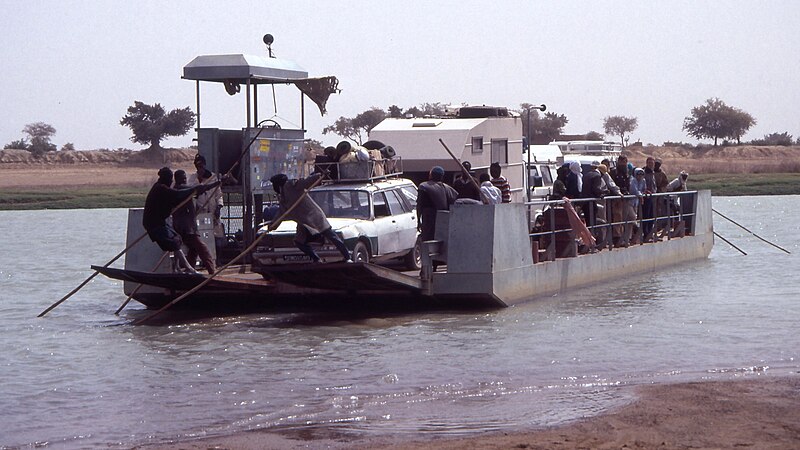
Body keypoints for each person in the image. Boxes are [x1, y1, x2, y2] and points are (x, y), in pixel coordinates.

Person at [143, 167, 222, 274]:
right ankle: (197, 269)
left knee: (180, 242)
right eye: (182, 179)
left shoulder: (167, 189)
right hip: (160, 224)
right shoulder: (165, 189)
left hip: (167, 223)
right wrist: (210, 185)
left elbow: (196, 190)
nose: (171, 181)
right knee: (184, 245)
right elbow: (185, 192)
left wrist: (215, 184)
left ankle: (179, 269)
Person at [269, 173, 352, 263]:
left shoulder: (292, 186)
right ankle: (316, 259)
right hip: (303, 222)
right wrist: (273, 225)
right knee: (299, 242)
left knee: (331, 236)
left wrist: (319, 176)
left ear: (278, 184)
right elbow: (281, 213)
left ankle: (347, 257)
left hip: (313, 216)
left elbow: (306, 181)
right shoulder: (282, 198)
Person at [172, 170, 216, 274]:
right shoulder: (180, 190)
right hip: (186, 228)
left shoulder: (181, 190)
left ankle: (190, 271)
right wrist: (217, 183)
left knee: (193, 249)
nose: (184, 180)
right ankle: (212, 272)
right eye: (181, 178)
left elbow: (196, 190)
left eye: (184, 178)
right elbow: (199, 188)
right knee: (202, 248)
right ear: (176, 180)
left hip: (186, 227)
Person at [417, 166, 458, 242]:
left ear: (431, 175)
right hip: (444, 220)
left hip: (429, 219)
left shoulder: (424, 186)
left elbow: (419, 204)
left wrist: (418, 220)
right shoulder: (449, 189)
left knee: (427, 243)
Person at [188, 154, 225, 241]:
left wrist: (219, 207)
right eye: (198, 166)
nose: (200, 168)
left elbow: (218, 194)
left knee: (217, 236)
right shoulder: (193, 178)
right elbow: (193, 193)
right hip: (201, 211)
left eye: (201, 166)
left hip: (213, 211)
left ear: (204, 165)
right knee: (202, 235)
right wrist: (199, 179)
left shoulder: (213, 177)